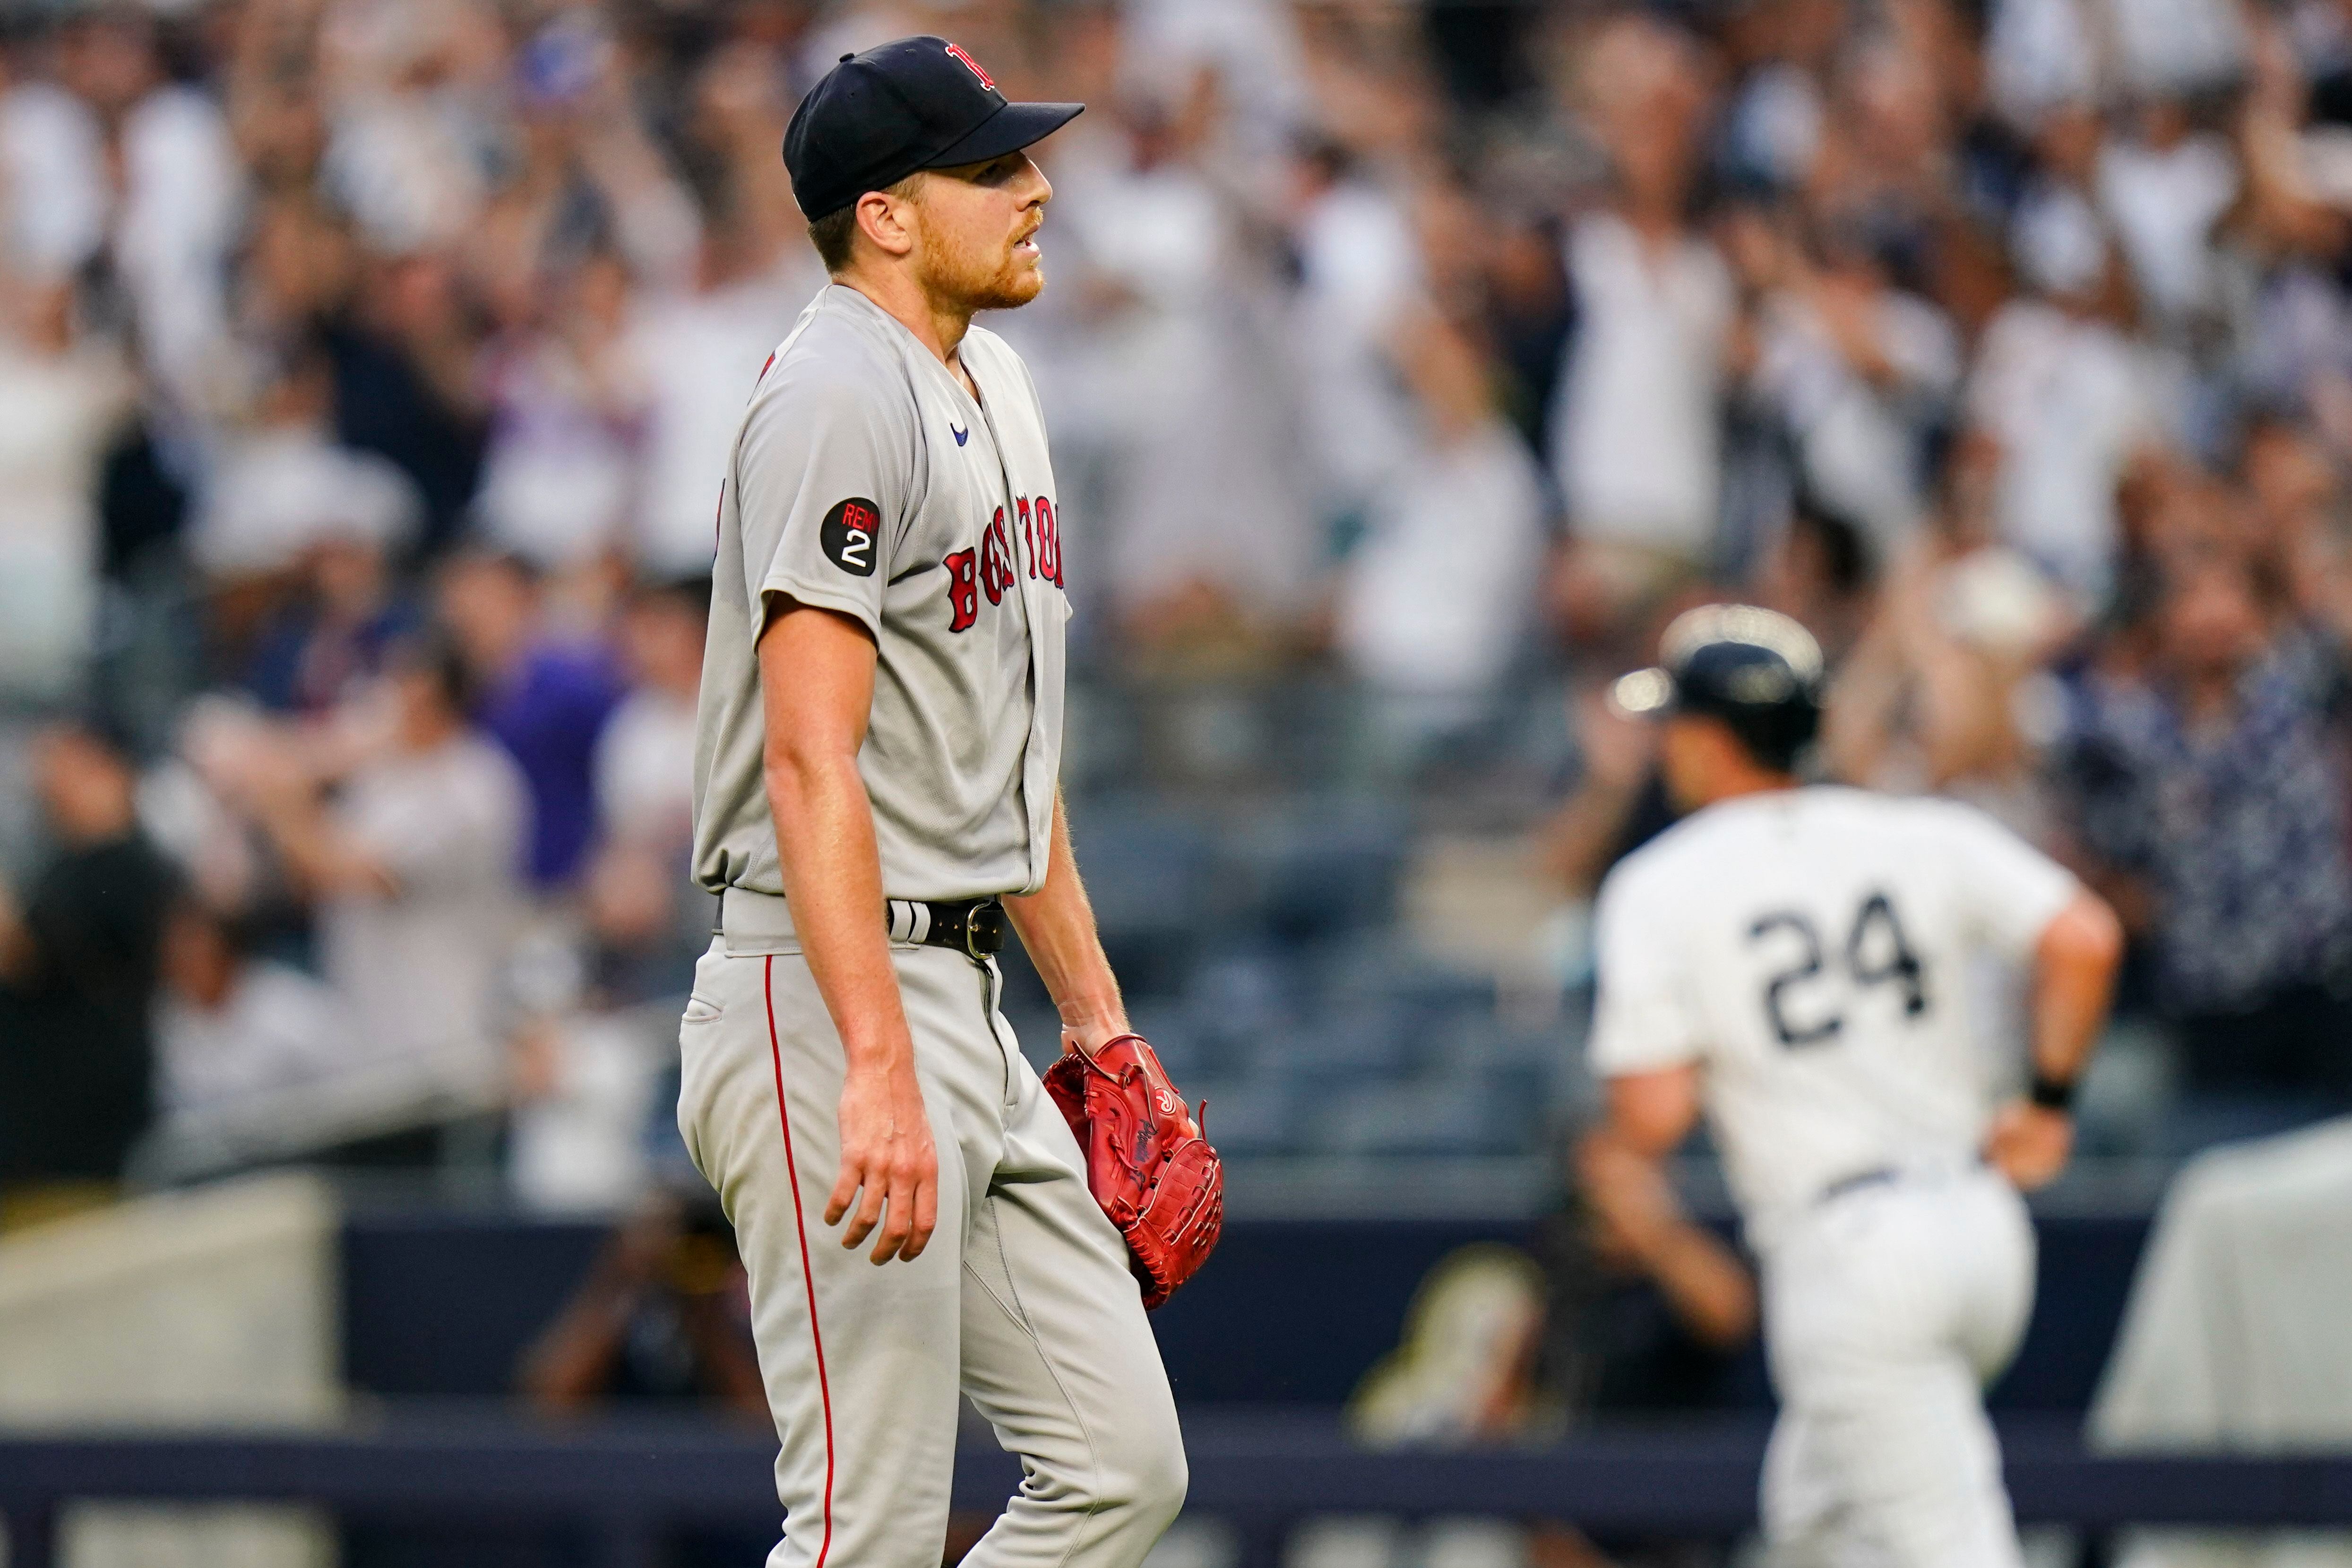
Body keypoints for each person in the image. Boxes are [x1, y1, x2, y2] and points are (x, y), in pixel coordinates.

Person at [675, 36, 1186, 1568]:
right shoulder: (833, 391)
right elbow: (806, 755)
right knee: (865, 1524)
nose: (1035, 188)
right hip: (828, 996)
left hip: (960, 994)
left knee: (1118, 1466)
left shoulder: (997, 380)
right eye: (991, 168)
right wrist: (878, 1066)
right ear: (885, 214)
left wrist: (1095, 1022)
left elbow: (1000, 757)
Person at [1587, 604, 2125, 1568]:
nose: (1667, 746)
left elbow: (1652, 1112)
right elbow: (2082, 938)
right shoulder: (1912, 830)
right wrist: (2046, 1107)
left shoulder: (1661, 882)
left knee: (1952, 1548)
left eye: (1677, 725)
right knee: (1815, 1529)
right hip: (1978, 1227)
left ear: (1713, 743)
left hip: (1851, 1254)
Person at [0, 718, 178, 1228]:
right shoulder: (62, 866)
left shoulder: (125, 867)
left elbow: (22, 952)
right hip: (36, 1155)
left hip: (71, 1157)